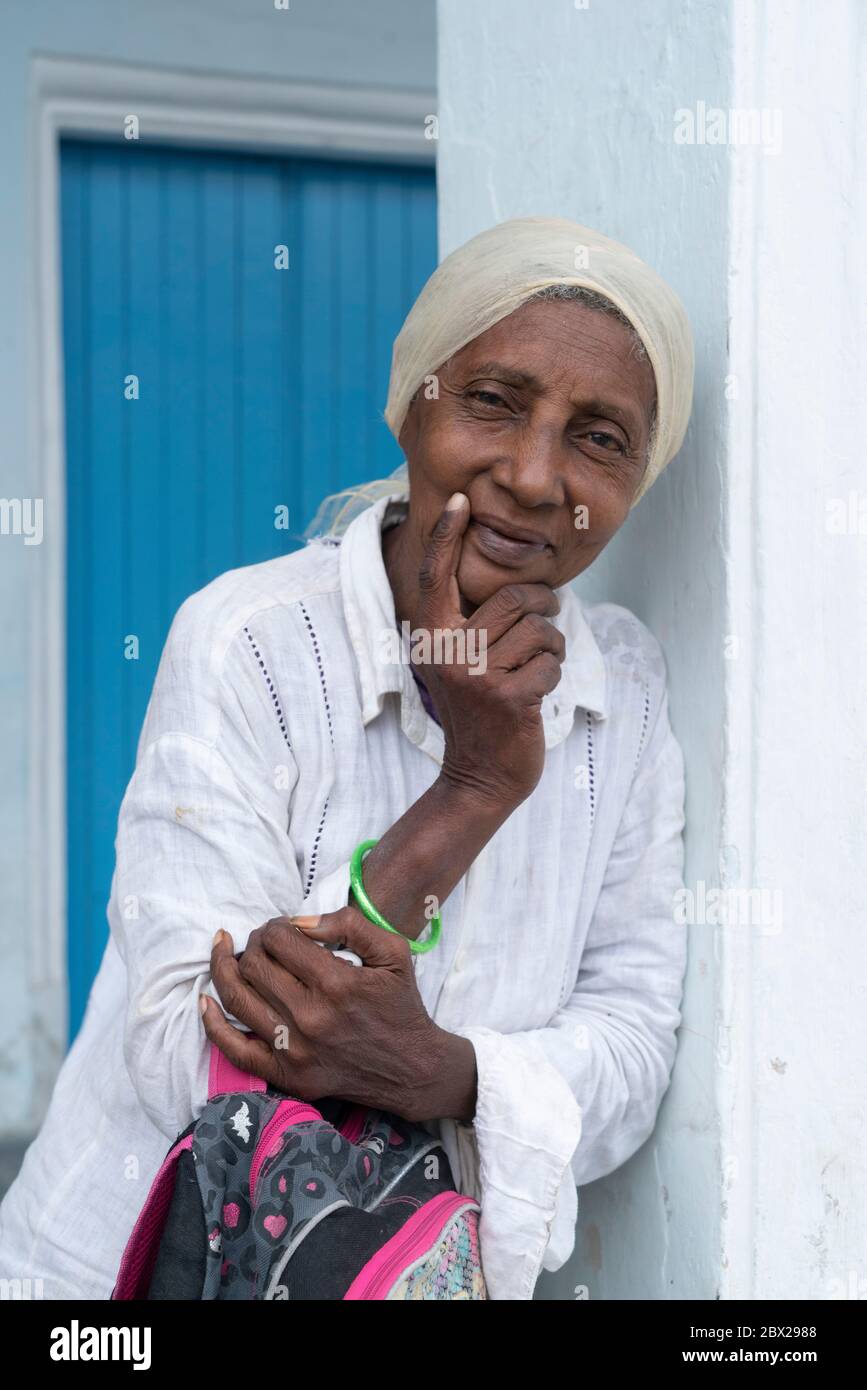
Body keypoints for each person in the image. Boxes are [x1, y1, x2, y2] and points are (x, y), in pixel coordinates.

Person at [0, 215, 694, 1301]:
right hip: (132, 1275)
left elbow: (633, 1039)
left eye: (599, 437)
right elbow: (191, 1046)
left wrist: (449, 1073)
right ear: (410, 401)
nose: (531, 471)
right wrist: (471, 788)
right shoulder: (250, 642)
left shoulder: (627, 695)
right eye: (495, 401)